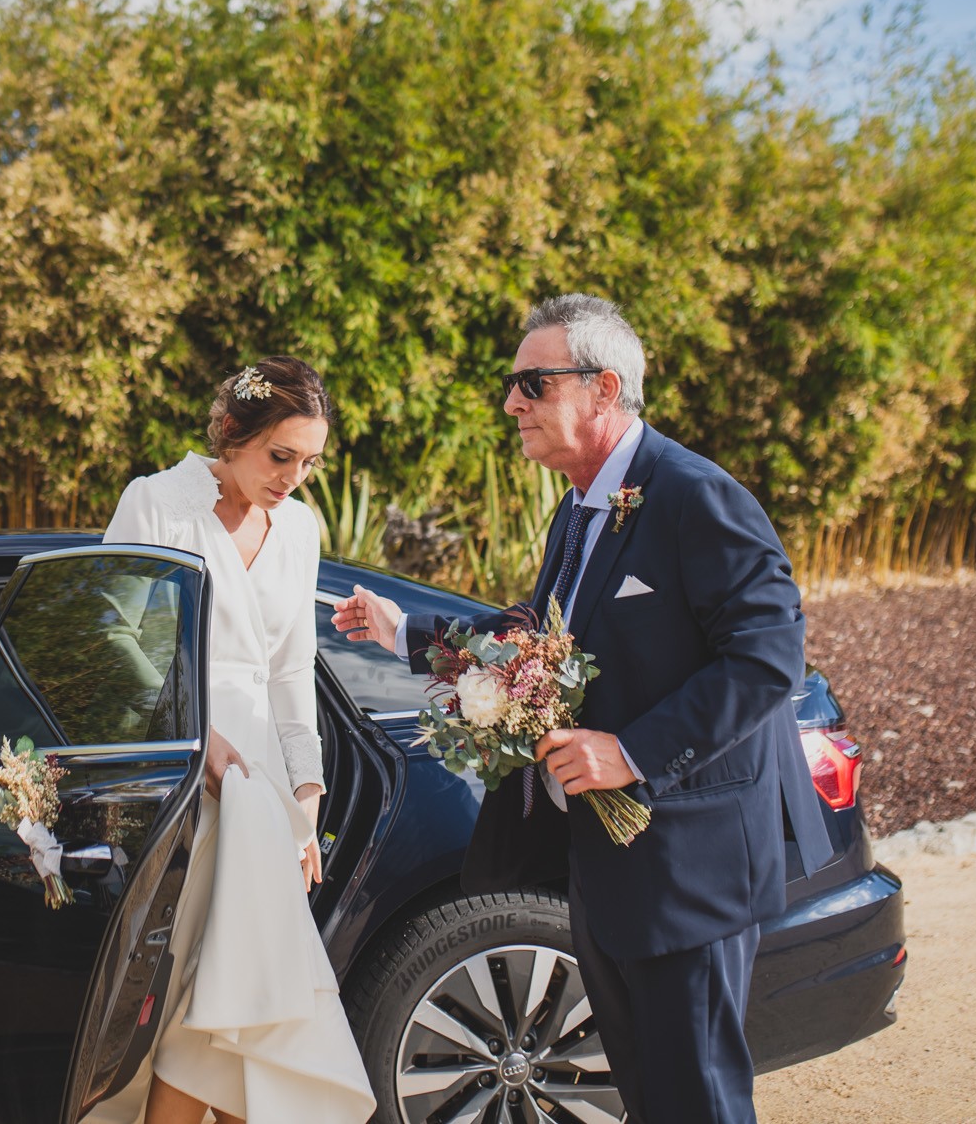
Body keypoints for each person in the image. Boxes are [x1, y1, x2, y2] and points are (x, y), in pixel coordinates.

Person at [333, 294, 832, 1124]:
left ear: (604, 389)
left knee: (697, 1102)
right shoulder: (580, 505)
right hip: (605, 868)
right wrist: (405, 634)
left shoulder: (695, 496)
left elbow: (769, 658)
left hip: (690, 867)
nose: (511, 402)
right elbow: (543, 641)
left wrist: (629, 752)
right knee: (648, 1097)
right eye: (513, 383)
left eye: (532, 381)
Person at [93, 357, 374, 1124]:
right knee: (175, 995)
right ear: (230, 432)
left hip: (265, 797)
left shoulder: (301, 528)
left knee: (243, 1003)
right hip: (178, 780)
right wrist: (195, 737)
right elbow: (107, 638)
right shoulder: (155, 502)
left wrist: (306, 806)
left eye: (309, 462)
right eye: (279, 455)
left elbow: (291, 676)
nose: (293, 478)